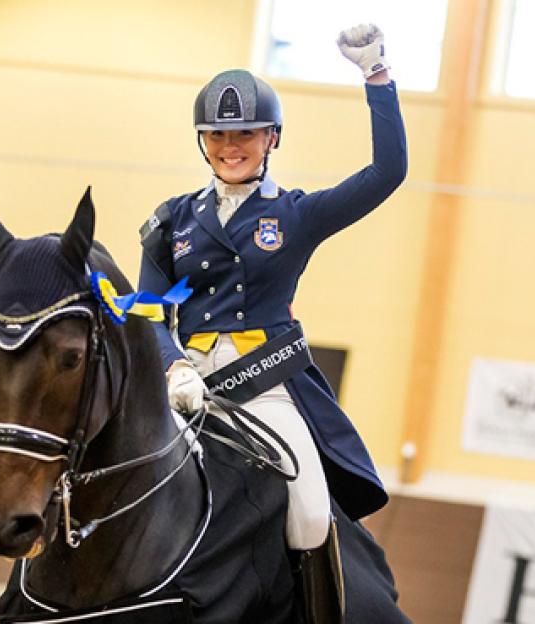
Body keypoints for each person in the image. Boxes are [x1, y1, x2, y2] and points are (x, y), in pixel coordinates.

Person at [137, 23, 406, 623]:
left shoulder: (297, 215)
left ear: (271, 138)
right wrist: (173, 365)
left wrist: (376, 77)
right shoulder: (169, 221)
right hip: (186, 385)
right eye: (218, 135)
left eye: (246, 134)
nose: (232, 146)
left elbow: (386, 174)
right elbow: (150, 311)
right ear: (203, 142)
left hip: (264, 387)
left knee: (310, 512)